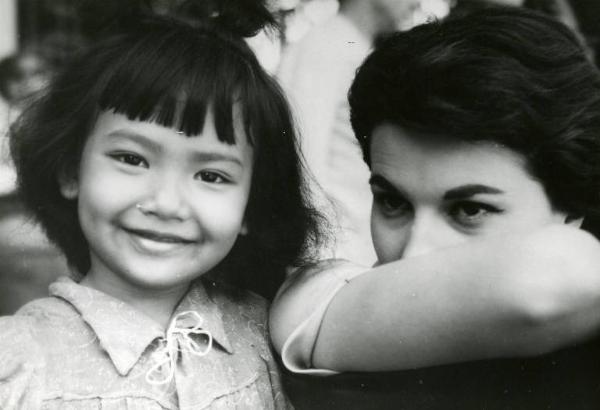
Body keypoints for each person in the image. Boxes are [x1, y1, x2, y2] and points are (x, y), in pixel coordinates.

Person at [271, 6, 600, 408]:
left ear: (571, 209)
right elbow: (558, 274)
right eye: (392, 202)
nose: (414, 253)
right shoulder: (320, 304)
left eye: (468, 211)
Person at [0, 2, 321, 408]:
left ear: (251, 204)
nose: (167, 204)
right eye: (132, 159)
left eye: (211, 176)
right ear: (70, 170)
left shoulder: (272, 331)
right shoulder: (18, 362)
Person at [277, 0, 421, 266]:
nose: (418, 2)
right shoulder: (324, 45)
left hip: (363, 242)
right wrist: (314, 253)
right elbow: (301, 154)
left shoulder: (365, 50)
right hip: (332, 249)